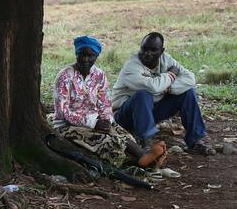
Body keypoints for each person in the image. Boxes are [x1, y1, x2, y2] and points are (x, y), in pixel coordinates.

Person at [52, 36, 161, 168]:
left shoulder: (99, 75)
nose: (85, 59)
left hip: (95, 121)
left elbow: (104, 104)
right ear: (76, 54)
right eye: (82, 55)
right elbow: (63, 112)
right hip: (67, 126)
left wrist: (106, 121)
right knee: (107, 141)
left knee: (123, 135)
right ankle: (143, 161)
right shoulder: (65, 76)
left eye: (90, 55)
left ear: (96, 56)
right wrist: (93, 123)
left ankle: (145, 157)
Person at [110, 32, 215, 157]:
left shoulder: (166, 60)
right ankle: (145, 143)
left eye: (153, 50)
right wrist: (170, 75)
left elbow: (190, 79)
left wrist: (168, 88)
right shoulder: (132, 65)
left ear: (161, 51)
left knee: (187, 92)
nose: (147, 53)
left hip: (149, 113)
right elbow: (152, 87)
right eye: (144, 49)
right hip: (123, 116)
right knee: (143, 94)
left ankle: (195, 141)